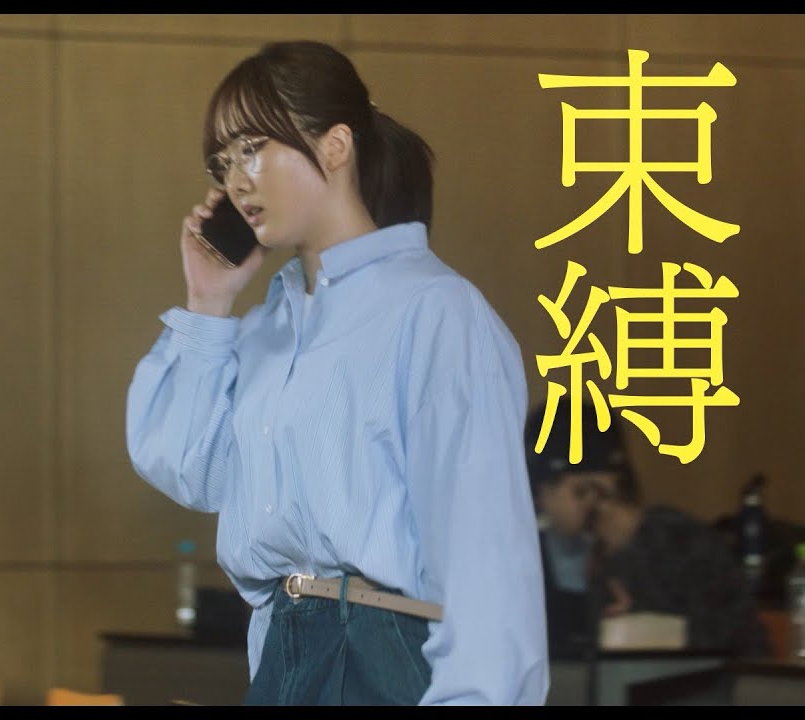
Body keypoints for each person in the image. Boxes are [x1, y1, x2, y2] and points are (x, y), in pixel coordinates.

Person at [125, 40, 547, 705]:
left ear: (335, 145)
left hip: (389, 653)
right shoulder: (268, 328)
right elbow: (186, 469)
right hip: (286, 652)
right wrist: (208, 304)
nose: (237, 180)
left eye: (253, 148)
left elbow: (485, 557)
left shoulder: (435, 311)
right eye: (223, 161)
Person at [581, 441, 771, 658]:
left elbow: (716, 640)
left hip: (722, 673)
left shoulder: (676, 539)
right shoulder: (601, 553)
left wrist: (638, 627)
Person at [524, 395, 629, 661]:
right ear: (542, 490)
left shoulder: (632, 554)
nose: (597, 506)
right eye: (582, 491)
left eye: (606, 493)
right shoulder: (516, 559)